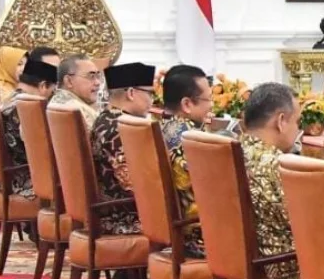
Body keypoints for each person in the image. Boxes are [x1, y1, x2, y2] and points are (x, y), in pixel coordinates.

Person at [240, 83, 303, 279]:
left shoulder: (232, 151)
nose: (298, 130)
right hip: (285, 278)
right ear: (281, 121)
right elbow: (308, 228)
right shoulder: (278, 166)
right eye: (297, 122)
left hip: (247, 272)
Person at [91, 62, 153, 237]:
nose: (152, 101)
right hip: (125, 218)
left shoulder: (105, 119)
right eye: (150, 93)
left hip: (108, 211)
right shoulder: (123, 129)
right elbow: (132, 185)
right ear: (131, 93)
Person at [160, 64, 214, 258]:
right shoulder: (191, 140)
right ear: (187, 104)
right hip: (200, 238)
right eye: (208, 99)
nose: (211, 105)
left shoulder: (163, 127)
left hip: (177, 231)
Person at [0, 51, 60, 202]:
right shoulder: (30, 109)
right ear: (43, 86)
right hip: (29, 183)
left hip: (11, 177)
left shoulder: (10, 99)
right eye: (54, 90)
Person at [50, 54, 102, 131]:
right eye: (91, 76)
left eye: (98, 76)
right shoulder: (76, 111)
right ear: (69, 81)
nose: (98, 82)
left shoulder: (55, 103)